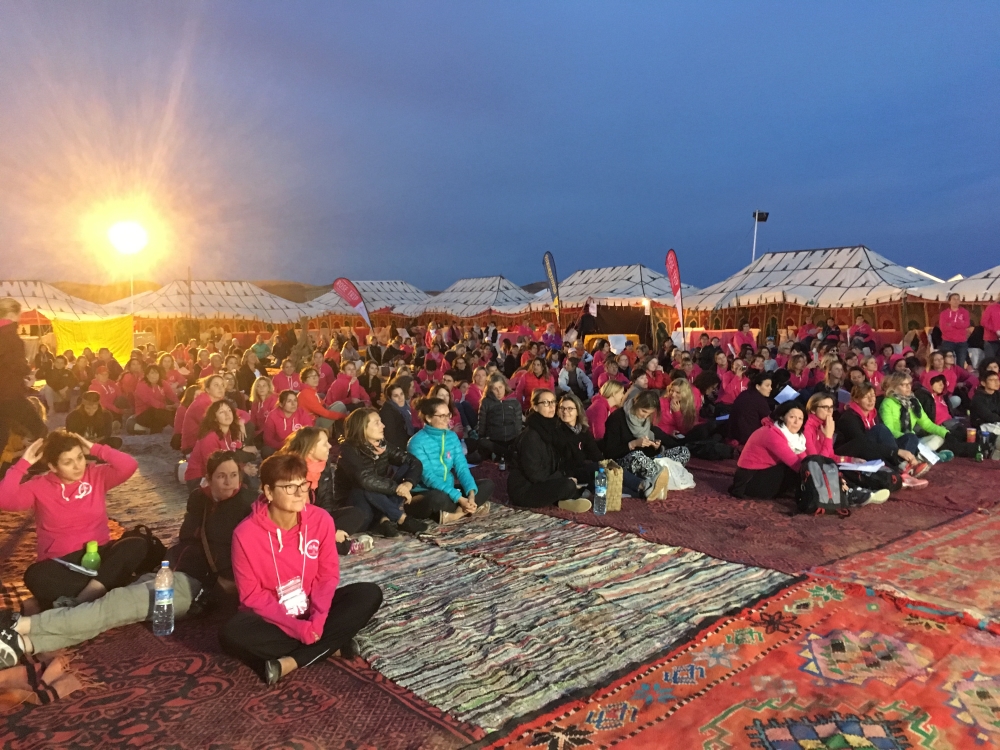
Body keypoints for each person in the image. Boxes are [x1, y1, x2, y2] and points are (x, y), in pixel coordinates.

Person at [0, 452, 255, 668]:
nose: (229, 482)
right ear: (209, 479)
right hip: (167, 572)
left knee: (112, 605)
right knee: (110, 609)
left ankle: (21, 626)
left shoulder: (245, 506)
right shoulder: (200, 501)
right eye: (221, 476)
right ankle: (28, 642)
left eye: (234, 475)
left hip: (193, 587)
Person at [220, 453, 383, 686]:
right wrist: (297, 628)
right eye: (289, 487)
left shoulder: (321, 520)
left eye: (302, 485)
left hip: (311, 607)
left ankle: (292, 661)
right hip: (273, 618)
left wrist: (317, 620)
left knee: (368, 594)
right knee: (231, 634)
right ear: (268, 492)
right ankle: (333, 647)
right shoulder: (245, 535)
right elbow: (252, 596)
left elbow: (327, 576)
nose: (299, 493)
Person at [0, 431, 143, 609]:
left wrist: (95, 448)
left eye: (80, 457)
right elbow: (4, 499)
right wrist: (23, 464)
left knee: (137, 544)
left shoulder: (96, 475)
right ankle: (106, 588)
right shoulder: (38, 487)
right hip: (63, 563)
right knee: (35, 577)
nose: (78, 466)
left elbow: (129, 465)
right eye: (68, 462)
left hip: (100, 555)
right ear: (53, 467)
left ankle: (83, 597)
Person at [277, 427, 372, 554]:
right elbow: (293, 514)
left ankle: (323, 542)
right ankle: (342, 546)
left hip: (317, 518)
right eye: (324, 443)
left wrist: (329, 526)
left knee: (356, 514)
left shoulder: (323, 465)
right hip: (296, 521)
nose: (329, 445)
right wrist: (331, 531)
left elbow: (327, 503)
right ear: (310, 449)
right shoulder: (291, 470)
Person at [332, 408, 428, 536]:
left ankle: (383, 519)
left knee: (406, 466)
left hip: (378, 499)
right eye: (377, 422)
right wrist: (396, 488)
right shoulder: (348, 449)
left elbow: (414, 462)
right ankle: (401, 518)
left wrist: (408, 484)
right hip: (357, 506)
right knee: (363, 484)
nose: (383, 425)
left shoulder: (382, 445)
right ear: (362, 428)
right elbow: (364, 479)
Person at [408, 397, 494, 522]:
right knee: (437, 498)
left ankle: (457, 512)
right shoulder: (416, 442)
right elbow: (428, 478)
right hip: (425, 492)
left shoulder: (452, 437)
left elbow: (462, 468)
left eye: (448, 415)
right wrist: (459, 498)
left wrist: (470, 495)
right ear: (428, 418)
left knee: (487, 485)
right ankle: (464, 510)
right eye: (442, 416)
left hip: (449, 491)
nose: (447, 420)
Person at [507, 389, 592, 512]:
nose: (551, 406)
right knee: (568, 485)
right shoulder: (532, 435)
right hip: (525, 489)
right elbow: (535, 474)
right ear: (535, 407)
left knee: (578, 477)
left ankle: (565, 499)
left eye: (553, 402)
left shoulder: (551, 429)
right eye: (546, 403)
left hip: (543, 481)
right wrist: (562, 479)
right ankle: (567, 497)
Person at [600, 390, 675, 500]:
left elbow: (647, 451)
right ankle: (657, 479)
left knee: (683, 451)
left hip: (647, 459)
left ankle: (659, 477)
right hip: (623, 460)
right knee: (637, 455)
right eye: (643, 411)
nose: (645, 416)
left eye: (649, 414)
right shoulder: (617, 418)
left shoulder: (646, 420)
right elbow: (610, 452)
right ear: (636, 405)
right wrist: (633, 444)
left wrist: (654, 446)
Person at [729, 402, 807, 499]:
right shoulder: (772, 434)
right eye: (792, 417)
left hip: (763, 473)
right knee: (795, 469)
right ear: (782, 417)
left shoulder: (795, 437)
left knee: (804, 467)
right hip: (749, 481)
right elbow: (795, 464)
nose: (796, 422)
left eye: (800, 419)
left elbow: (804, 459)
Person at [0, 299, 48, 456]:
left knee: (2, 437)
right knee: (40, 429)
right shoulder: (10, 337)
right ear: (13, 314)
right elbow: (15, 364)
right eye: (19, 315)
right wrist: (27, 372)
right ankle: (54, 465)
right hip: (9, 395)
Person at [879, 372, 953, 461]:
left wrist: (946, 433)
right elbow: (888, 430)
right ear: (894, 387)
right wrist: (907, 436)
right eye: (903, 385)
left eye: (909, 384)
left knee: (939, 437)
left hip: (913, 440)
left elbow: (927, 424)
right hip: (896, 441)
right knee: (911, 438)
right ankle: (930, 456)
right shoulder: (887, 403)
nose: (908, 387)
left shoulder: (914, 401)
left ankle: (922, 456)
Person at [185, 400, 257, 492]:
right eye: (222, 412)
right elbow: (213, 466)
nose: (227, 414)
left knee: (248, 482)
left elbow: (230, 457)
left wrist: (244, 465)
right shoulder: (210, 437)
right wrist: (242, 469)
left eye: (229, 411)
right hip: (200, 477)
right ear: (215, 418)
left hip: (221, 472)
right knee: (242, 483)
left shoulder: (228, 433)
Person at [476, 372, 523, 461]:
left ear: (505, 386)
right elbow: (482, 422)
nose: (499, 391)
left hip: (511, 438)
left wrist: (518, 440)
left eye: (500, 387)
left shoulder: (514, 402)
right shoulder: (486, 402)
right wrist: (481, 436)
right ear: (490, 390)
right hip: (494, 439)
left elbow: (518, 424)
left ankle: (507, 454)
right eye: (495, 389)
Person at [181, 375, 228, 454]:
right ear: (207, 389)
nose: (220, 388)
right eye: (216, 385)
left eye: (222, 385)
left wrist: (241, 421)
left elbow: (240, 413)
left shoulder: (219, 400)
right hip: (193, 446)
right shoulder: (201, 404)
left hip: (211, 441)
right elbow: (212, 426)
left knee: (247, 425)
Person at [727, 371, 774, 445]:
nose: (770, 388)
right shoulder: (759, 400)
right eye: (767, 386)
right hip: (749, 437)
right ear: (758, 386)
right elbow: (768, 420)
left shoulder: (745, 393)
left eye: (771, 386)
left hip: (733, 434)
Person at [131, 364, 178, 434]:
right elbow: (148, 400)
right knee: (156, 410)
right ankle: (178, 429)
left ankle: (152, 431)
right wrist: (164, 406)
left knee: (175, 411)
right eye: (152, 373)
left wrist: (178, 404)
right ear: (147, 375)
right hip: (143, 414)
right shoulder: (141, 385)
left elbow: (172, 395)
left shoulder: (163, 383)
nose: (154, 375)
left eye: (156, 373)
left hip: (159, 413)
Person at [262, 390, 309, 456]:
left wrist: (297, 446)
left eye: (295, 400)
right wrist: (284, 447)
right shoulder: (272, 416)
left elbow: (309, 433)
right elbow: (268, 439)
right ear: (281, 404)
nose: (293, 404)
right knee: (266, 450)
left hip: (298, 448)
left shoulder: (302, 413)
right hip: (280, 449)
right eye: (289, 401)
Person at [380, 379, 417, 451]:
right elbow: (391, 438)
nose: (400, 398)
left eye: (401, 394)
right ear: (390, 398)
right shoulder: (387, 413)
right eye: (396, 396)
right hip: (399, 450)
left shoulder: (406, 408)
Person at [249, 376, 278, 441]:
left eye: (264, 385)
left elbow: (272, 424)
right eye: (258, 386)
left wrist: (256, 434)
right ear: (255, 388)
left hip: (272, 433)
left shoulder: (274, 400)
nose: (261, 388)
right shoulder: (255, 402)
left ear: (269, 387)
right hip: (259, 433)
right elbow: (252, 421)